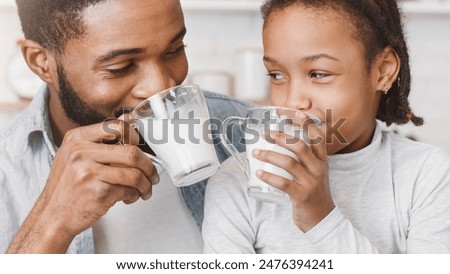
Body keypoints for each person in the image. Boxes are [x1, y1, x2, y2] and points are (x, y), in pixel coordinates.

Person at [0, 0, 250, 254]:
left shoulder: (244, 131)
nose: (160, 86)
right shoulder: (7, 171)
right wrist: (51, 224)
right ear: (41, 62)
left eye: (174, 49)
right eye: (120, 68)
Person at [202, 0, 450, 253]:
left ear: (383, 70)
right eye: (276, 74)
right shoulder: (238, 180)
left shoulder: (427, 175)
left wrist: (320, 216)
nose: (293, 100)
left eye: (319, 74)